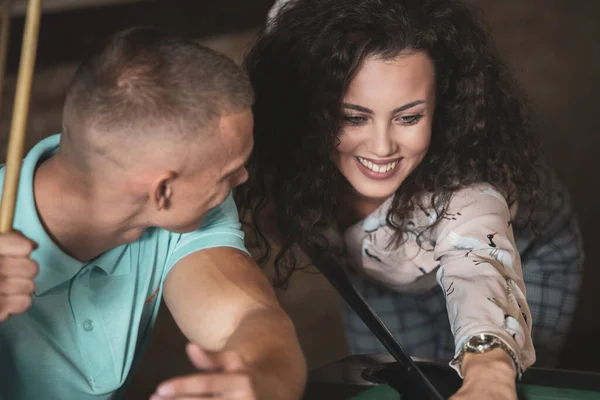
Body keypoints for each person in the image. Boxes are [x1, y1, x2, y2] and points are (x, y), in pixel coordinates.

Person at [236, 0, 584, 398]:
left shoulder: (468, 188)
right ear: (305, 111)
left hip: (526, 251)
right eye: (353, 117)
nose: (382, 147)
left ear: (443, 105)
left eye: (409, 117)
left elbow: (478, 269)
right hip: (389, 275)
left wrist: (489, 371)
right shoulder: (284, 149)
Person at [0, 27, 306, 400]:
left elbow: (246, 319)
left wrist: (265, 379)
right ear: (162, 190)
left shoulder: (183, 211)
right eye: (229, 173)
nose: (243, 178)